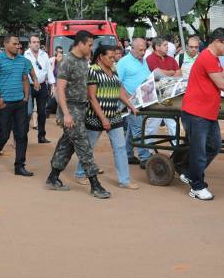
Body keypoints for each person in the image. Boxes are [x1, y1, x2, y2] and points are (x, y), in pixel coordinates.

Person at [180, 28, 224, 200]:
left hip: (208, 112)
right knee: (199, 151)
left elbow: (223, 74)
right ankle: (197, 187)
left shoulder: (214, 58)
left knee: (215, 145)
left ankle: (190, 173)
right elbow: (221, 82)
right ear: (217, 41)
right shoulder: (206, 57)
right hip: (197, 112)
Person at [45, 30, 111, 199]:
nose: (91, 48)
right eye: (89, 45)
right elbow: (60, 89)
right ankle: (95, 184)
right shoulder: (68, 61)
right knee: (83, 145)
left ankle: (53, 177)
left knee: (67, 144)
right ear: (80, 44)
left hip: (81, 108)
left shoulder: (83, 60)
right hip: (70, 109)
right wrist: (66, 114)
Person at [74, 45, 139, 189]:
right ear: (100, 57)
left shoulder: (113, 69)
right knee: (89, 147)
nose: (113, 60)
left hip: (114, 115)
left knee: (120, 147)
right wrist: (103, 118)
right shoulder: (93, 71)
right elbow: (91, 97)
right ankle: (80, 173)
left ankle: (124, 180)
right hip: (95, 116)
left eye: (114, 57)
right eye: (110, 57)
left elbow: (119, 90)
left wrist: (131, 105)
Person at [0, 35, 34, 177]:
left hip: (20, 103)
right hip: (5, 104)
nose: (17, 46)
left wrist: (26, 98)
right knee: (4, 135)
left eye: (18, 44)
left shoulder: (22, 60)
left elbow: (25, 79)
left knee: (21, 135)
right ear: (6, 44)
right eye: (14, 44)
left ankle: (19, 166)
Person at [117, 38, 152, 168]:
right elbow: (118, 83)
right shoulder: (123, 62)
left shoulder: (142, 61)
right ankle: (145, 157)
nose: (143, 52)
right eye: (140, 50)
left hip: (143, 100)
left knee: (133, 128)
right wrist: (128, 101)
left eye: (144, 50)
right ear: (133, 48)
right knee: (139, 128)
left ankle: (128, 154)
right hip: (131, 101)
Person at [145, 37, 181, 147]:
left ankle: (176, 148)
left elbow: (179, 74)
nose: (168, 47)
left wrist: (167, 74)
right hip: (156, 98)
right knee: (153, 125)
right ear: (157, 47)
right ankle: (148, 150)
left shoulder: (171, 59)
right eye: (165, 45)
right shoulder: (150, 59)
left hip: (170, 96)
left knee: (173, 124)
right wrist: (171, 72)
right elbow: (157, 73)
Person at [24, 35, 56, 144]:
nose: (36, 44)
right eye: (34, 42)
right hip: (29, 86)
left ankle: (41, 136)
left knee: (42, 112)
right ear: (29, 44)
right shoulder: (25, 55)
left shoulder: (44, 54)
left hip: (42, 86)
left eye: (38, 41)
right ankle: (23, 135)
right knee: (28, 112)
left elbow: (49, 70)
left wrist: (52, 85)